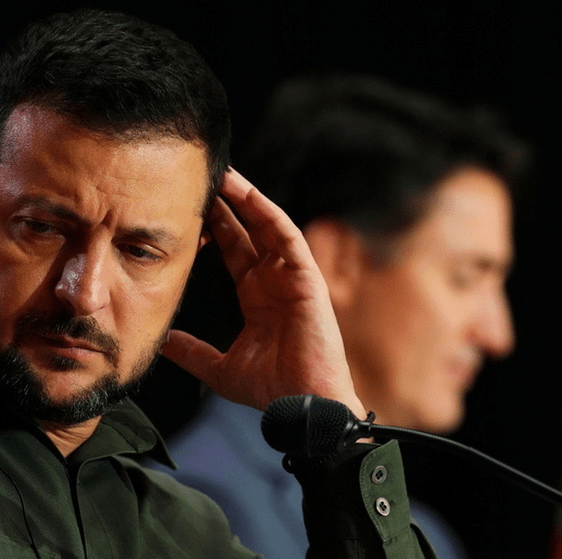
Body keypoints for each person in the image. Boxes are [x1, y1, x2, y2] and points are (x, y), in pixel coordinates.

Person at [0, 11, 436, 558]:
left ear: (189, 266)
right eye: (43, 228)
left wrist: (338, 436)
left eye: (140, 251)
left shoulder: (189, 532)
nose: (84, 293)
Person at [159, 73, 527, 559]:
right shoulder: (184, 515)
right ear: (338, 263)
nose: (499, 336)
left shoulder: (429, 536)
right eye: (464, 278)